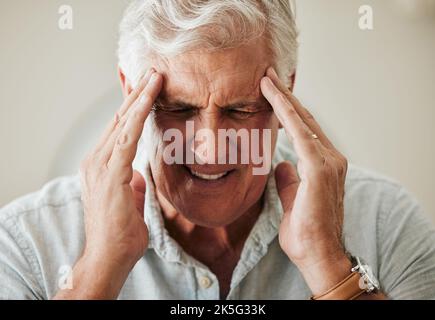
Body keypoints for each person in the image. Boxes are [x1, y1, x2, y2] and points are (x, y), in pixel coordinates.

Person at [1, 0, 435, 300]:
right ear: (130, 93)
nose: (209, 148)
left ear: (288, 92)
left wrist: (328, 263)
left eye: (240, 109)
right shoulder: (24, 242)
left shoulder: (385, 221)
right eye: (178, 108)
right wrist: (97, 273)